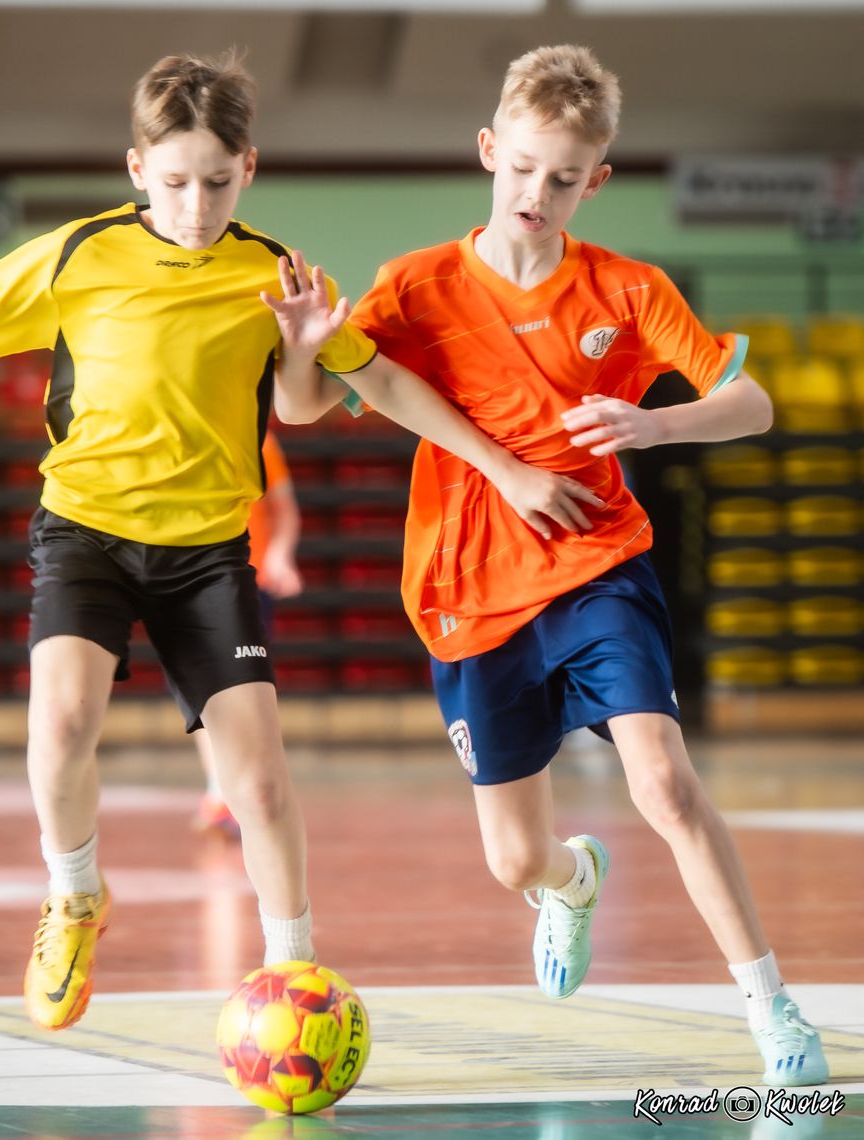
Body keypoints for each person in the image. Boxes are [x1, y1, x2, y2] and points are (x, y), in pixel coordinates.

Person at [0, 52, 596, 1034]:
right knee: (59, 729)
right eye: (177, 183)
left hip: (206, 555)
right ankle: (74, 896)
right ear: (138, 169)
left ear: (250, 169)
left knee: (258, 781)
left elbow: (383, 384)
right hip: (85, 533)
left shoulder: (275, 274)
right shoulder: (78, 256)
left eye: (218, 183)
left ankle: (294, 973)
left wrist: (502, 464)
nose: (197, 206)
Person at [275, 44, 827, 1088]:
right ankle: (572, 883)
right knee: (513, 861)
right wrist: (305, 346)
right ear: (490, 150)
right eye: (523, 166)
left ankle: (771, 1009)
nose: (538, 192)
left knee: (664, 782)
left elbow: (750, 404)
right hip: (470, 591)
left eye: (564, 176)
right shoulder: (419, 287)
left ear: (596, 179)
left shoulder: (628, 289)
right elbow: (305, 406)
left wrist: (656, 425)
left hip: (596, 565)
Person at [194, 430, 302, 840]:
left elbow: (284, 509)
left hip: (247, 580)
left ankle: (236, 792)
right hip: (189, 581)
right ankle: (219, 791)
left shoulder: (259, 441)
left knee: (242, 691)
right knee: (201, 692)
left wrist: (280, 554)